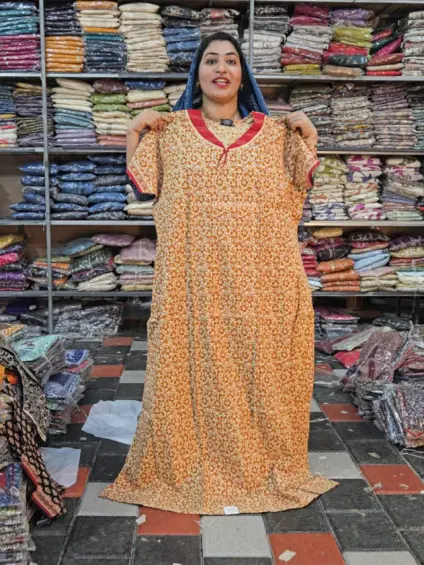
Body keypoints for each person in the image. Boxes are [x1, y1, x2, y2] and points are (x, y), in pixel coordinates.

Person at [102, 32, 337, 515]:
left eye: (231, 60)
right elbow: (145, 185)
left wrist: (310, 137)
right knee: (188, 380)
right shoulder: (171, 134)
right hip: (193, 293)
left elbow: (302, 181)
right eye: (211, 60)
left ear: (243, 75)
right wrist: (133, 132)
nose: (221, 68)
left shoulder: (277, 138)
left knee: (261, 379)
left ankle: (258, 464)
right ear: (198, 73)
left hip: (261, 292)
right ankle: (188, 464)